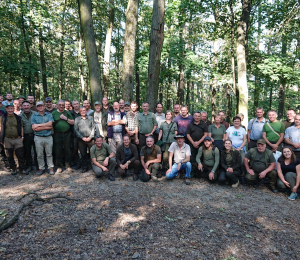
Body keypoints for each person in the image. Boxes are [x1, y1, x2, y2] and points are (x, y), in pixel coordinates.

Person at [0, 103, 26, 175]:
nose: (10, 110)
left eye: (11, 108)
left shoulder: (18, 117)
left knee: (20, 154)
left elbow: (21, 127)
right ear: (6, 109)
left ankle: (22, 169)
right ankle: (13, 168)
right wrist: (1, 139)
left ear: (13, 109)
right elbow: (0, 128)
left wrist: (22, 137)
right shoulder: (3, 118)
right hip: (7, 139)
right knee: (9, 155)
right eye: (8, 108)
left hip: (17, 138)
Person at [31, 101, 55, 175]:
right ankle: (41, 168)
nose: (40, 107)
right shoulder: (34, 116)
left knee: (49, 153)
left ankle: (50, 167)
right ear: (37, 108)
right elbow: (34, 128)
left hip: (48, 137)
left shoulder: (49, 114)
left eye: (41, 106)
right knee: (39, 154)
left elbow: (50, 125)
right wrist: (45, 126)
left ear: (44, 106)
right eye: (38, 106)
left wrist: (38, 125)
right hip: (38, 137)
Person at [52, 99, 74, 174]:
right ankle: (59, 166)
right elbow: (51, 123)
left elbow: (73, 122)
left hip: (67, 134)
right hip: (57, 134)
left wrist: (66, 118)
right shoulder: (54, 113)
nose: (61, 106)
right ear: (57, 105)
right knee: (58, 150)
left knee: (68, 149)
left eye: (62, 105)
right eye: (60, 105)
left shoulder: (67, 113)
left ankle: (68, 166)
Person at [74, 106, 95, 173]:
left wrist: (90, 137)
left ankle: (93, 166)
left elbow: (93, 128)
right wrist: (82, 137)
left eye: (84, 110)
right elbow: (76, 130)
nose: (83, 112)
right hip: (81, 139)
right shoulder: (77, 119)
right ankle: (84, 167)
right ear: (80, 112)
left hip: (90, 138)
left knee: (92, 153)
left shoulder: (91, 118)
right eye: (81, 111)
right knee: (83, 154)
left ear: (86, 111)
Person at [187, 111, 208, 177]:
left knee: (201, 158)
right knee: (192, 159)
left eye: (198, 116)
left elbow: (206, 134)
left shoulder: (204, 125)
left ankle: (200, 173)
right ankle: (192, 173)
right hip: (192, 145)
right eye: (196, 116)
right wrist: (193, 143)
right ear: (193, 116)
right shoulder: (190, 125)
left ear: (200, 117)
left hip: (201, 145)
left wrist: (198, 142)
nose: (197, 117)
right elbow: (188, 135)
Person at [20, 100, 37, 173]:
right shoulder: (19, 116)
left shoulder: (35, 114)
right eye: (24, 106)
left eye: (27, 105)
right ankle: (29, 166)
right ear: (22, 107)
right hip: (26, 136)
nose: (26, 107)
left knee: (37, 151)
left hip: (35, 135)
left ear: (30, 106)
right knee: (27, 151)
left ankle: (37, 165)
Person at [70, 100, 81, 169]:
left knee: (83, 150)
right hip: (73, 135)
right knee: (75, 150)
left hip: (82, 134)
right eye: (74, 104)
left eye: (77, 104)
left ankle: (84, 163)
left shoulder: (82, 112)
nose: (76, 105)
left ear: (79, 104)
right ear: (72, 105)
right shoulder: (70, 113)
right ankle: (77, 163)